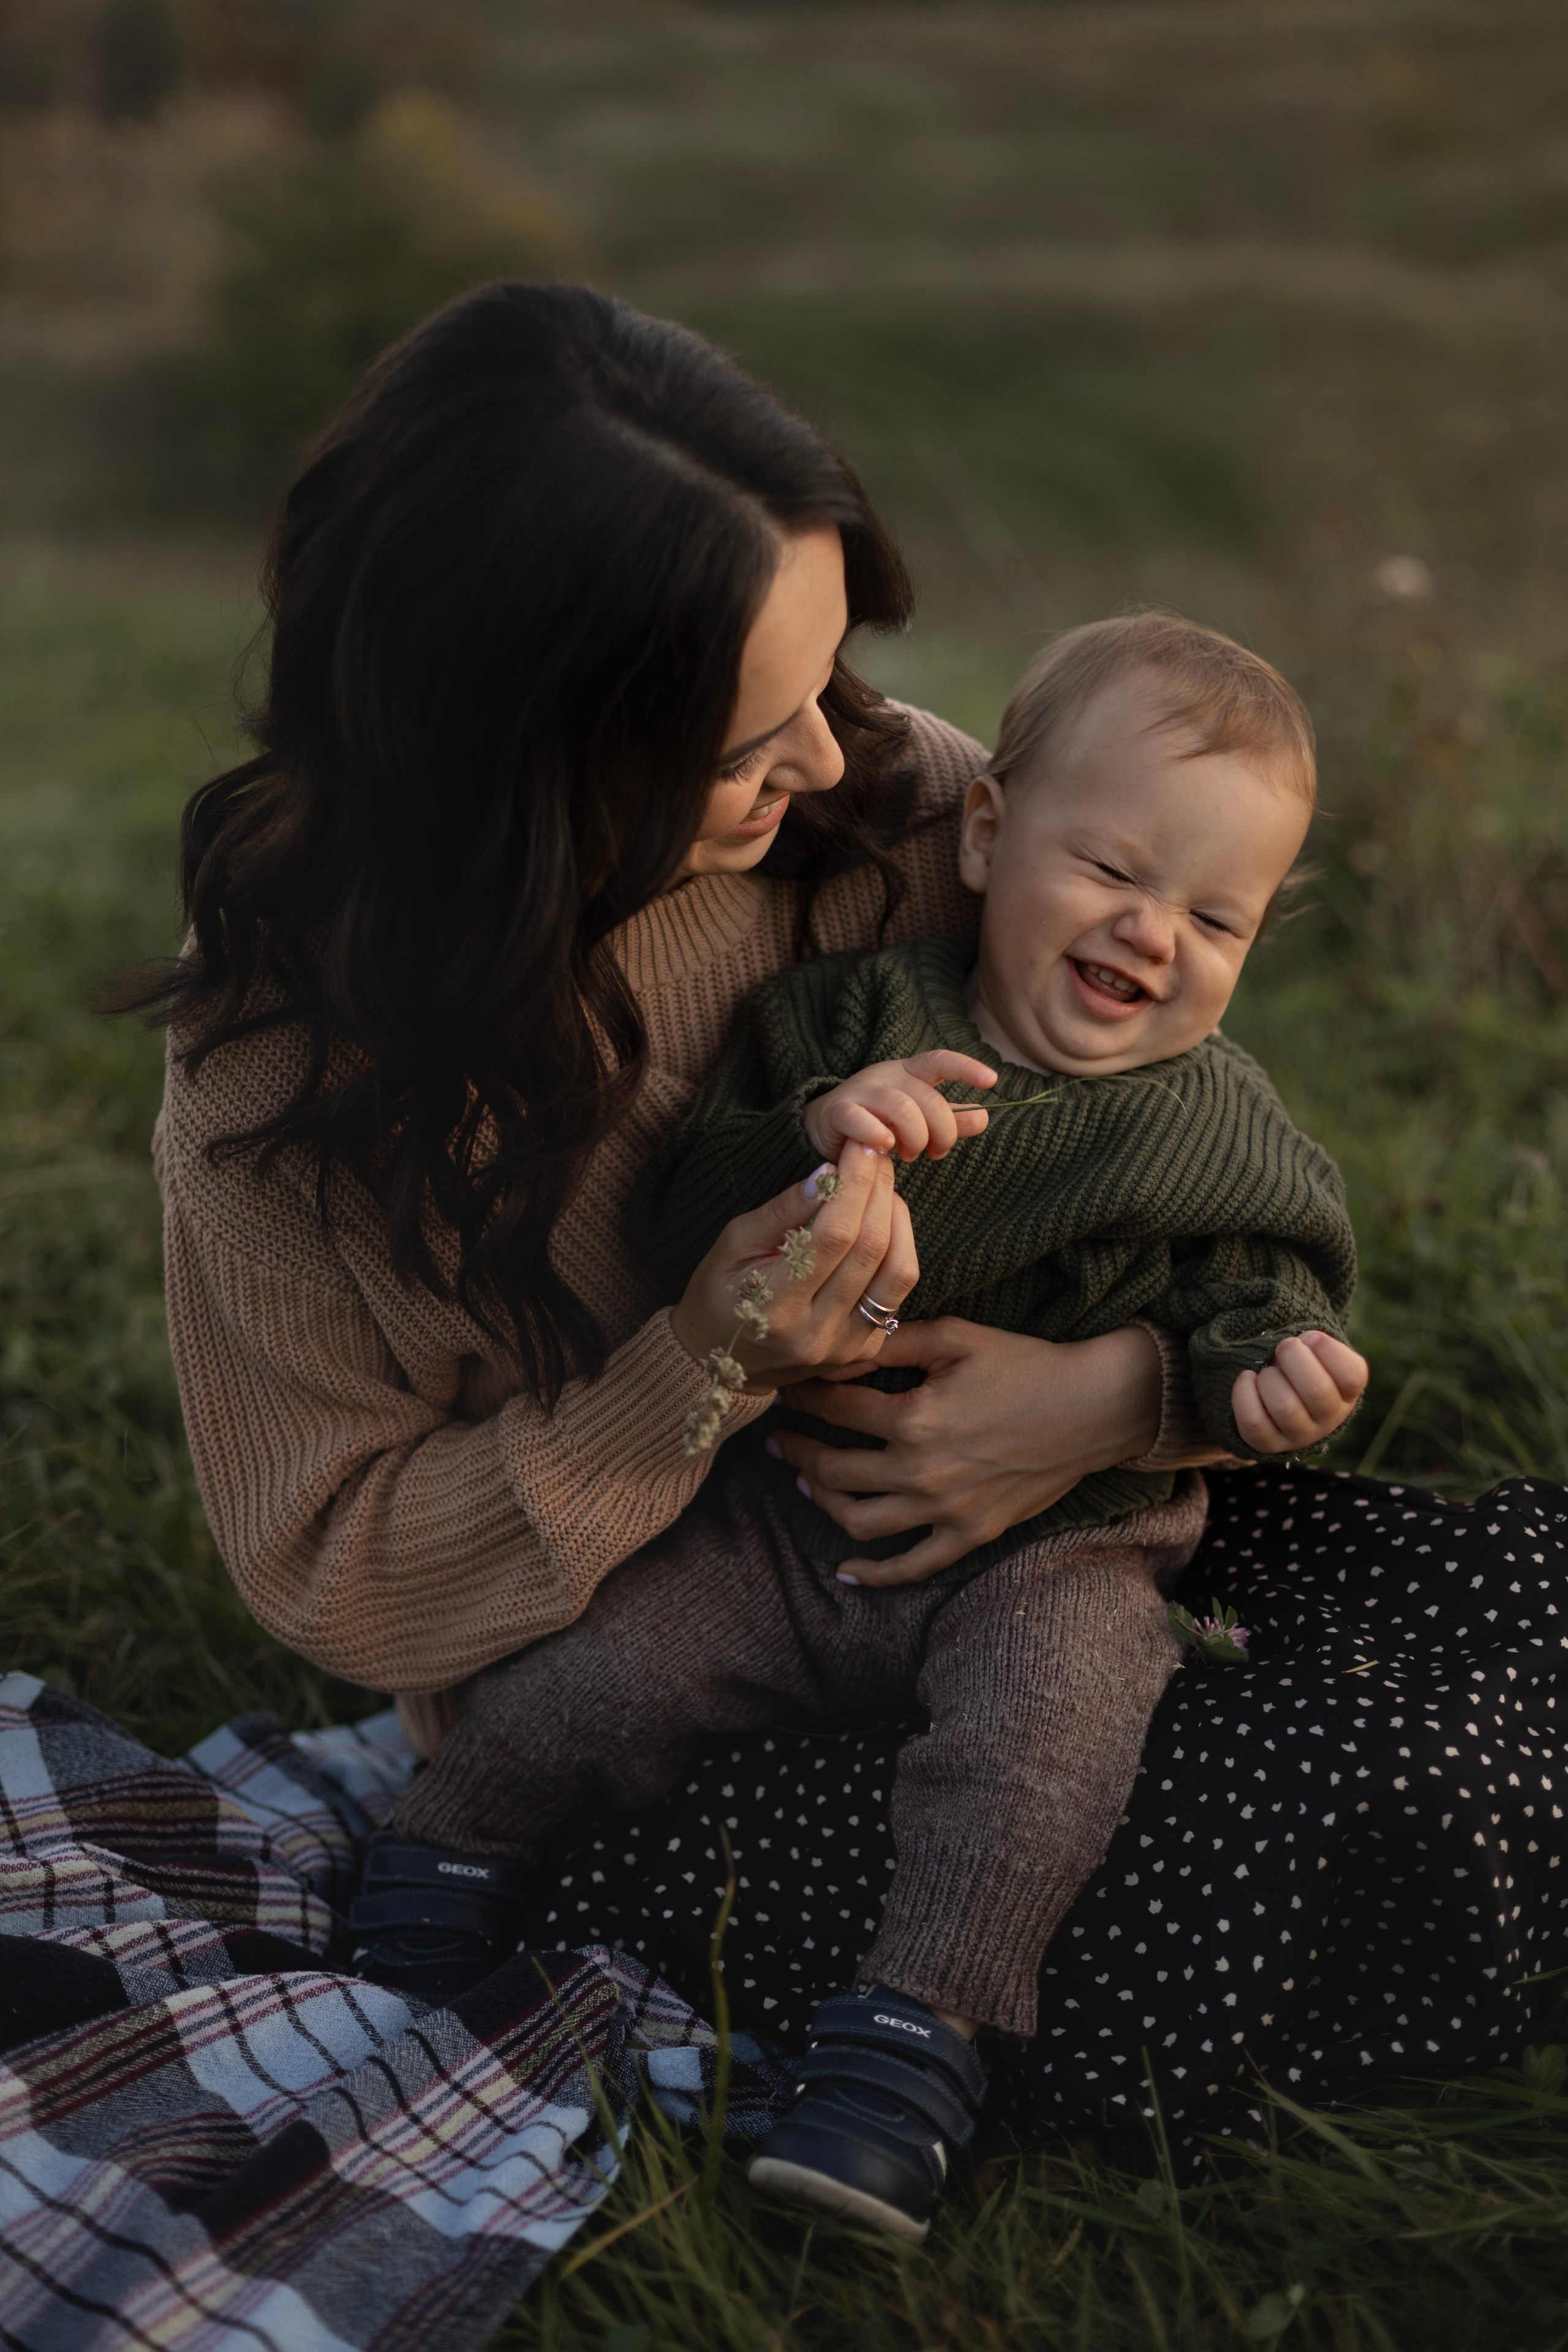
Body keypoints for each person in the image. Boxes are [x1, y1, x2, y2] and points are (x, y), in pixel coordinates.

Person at [136, 279, 1564, 2220]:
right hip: (662, 1674)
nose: (833, 755)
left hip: (1035, 1567)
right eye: (751, 734)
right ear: (538, 762)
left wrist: (1108, 1404)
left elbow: (1171, 1177)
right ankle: (869, 2030)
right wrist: (696, 1370)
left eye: (835, 676)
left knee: (1474, 1627)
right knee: (1186, 1853)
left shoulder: (898, 811)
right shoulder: (287, 1091)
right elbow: (345, 1569)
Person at [389, 614, 1368, 2241]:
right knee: (606, 1668)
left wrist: (1268, 1377)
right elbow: (678, 1222)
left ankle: (911, 2050)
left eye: (1217, 918)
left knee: (1045, 1751)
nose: (1155, 932)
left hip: (1054, 1556)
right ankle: (440, 1859)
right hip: (784, 1519)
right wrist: (811, 1144)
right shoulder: (845, 1024)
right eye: (1113, 870)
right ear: (986, 834)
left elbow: (1268, 1293)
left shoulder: (1220, 1124)